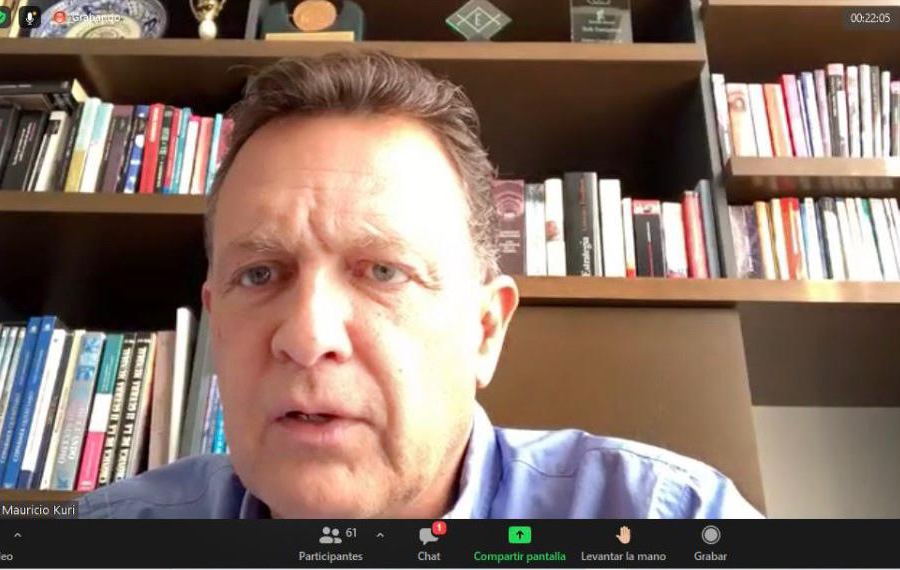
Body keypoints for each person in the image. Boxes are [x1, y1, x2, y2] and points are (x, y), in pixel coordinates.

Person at [79, 51, 761, 519]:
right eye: (259, 274)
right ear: (215, 322)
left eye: (384, 271)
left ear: (485, 331)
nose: (307, 337)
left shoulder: (669, 520)